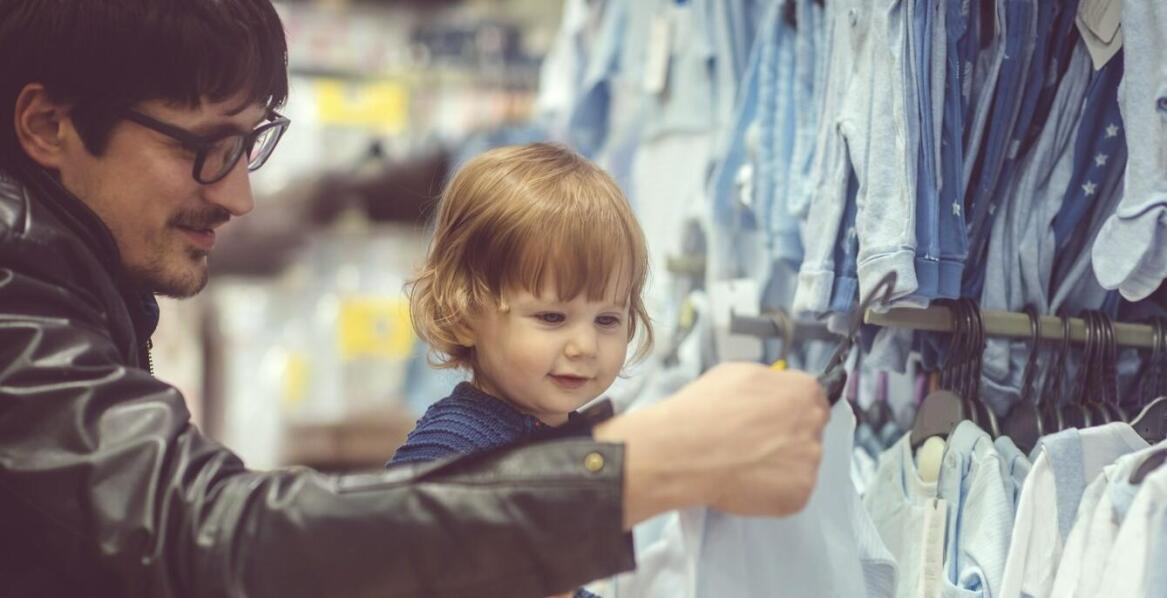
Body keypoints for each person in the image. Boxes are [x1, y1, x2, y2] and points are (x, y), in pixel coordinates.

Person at [0, 1, 831, 597]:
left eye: (249, 145)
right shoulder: (16, 296)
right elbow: (208, 537)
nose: (240, 196)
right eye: (209, 148)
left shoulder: (65, 282)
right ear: (48, 127)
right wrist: (651, 463)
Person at [390, 143, 651, 598]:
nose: (585, 346)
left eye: (607, 320)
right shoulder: (453, 450)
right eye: (552, 317)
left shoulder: (554, 439)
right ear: (466, 311)